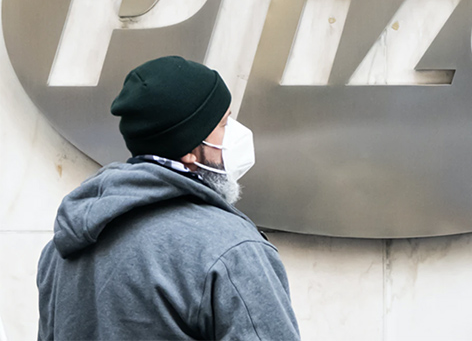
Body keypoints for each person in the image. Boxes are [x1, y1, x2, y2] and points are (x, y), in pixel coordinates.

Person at [36, 56, 299, 340]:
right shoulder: (230, 249)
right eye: (224, 124)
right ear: (188, 149)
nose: (237, 134)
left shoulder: (63, 250)